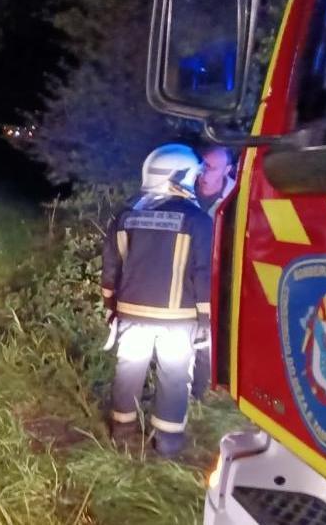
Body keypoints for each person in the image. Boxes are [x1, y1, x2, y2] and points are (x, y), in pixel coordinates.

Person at [101, 144, 214, 458]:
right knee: (175, 377)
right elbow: (202, 273)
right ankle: (167, 442)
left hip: (132, 314)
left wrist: (111, 305)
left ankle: (122, 433)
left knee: (129, 371)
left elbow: (112, 265)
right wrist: (206, 319)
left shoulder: (127, 216)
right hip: (178, 320)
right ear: (180, 177)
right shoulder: (198, 220)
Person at [191, 143, 237, 400]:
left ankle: (200, 390)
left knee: (208, 331)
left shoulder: (237, 197)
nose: (203, 172)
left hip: (219, 275)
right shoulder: (185, 190)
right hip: (186, 271)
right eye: (202, 164)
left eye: (211, 167)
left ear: (228, 169)